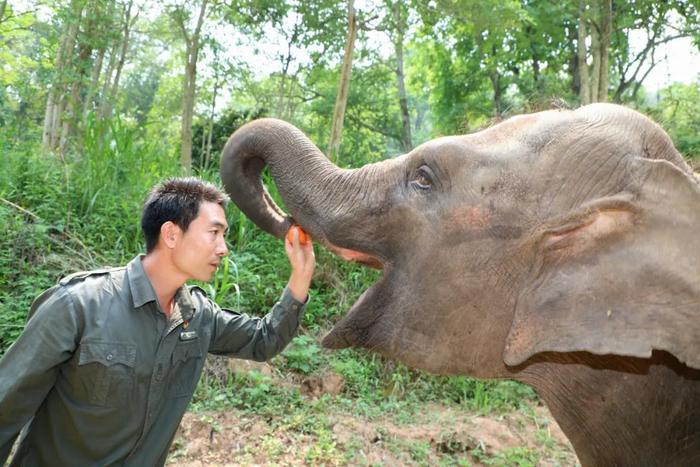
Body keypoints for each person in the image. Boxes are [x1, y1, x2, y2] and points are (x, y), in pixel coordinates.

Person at [0, 177, 315, 466]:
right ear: (171, 234)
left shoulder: (199, 317)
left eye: (224, 236)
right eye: (214, 233)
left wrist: (301, 275)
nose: (223, 249)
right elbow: (6, 406)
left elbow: (264, 340)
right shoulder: (78, 305)